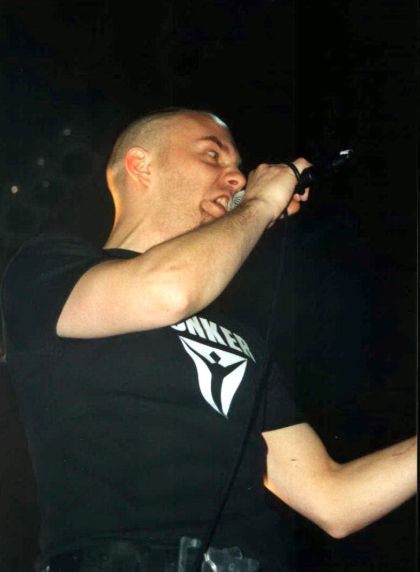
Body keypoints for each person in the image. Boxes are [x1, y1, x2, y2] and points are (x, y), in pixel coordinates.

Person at [1, 108, 416, 572]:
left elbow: (333, 500)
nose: (236, 177)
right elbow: (168, 290)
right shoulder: (50, 267)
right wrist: (261, 203)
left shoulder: (241, 338)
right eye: (212, 156)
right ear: (141, 165)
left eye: (237, 166)